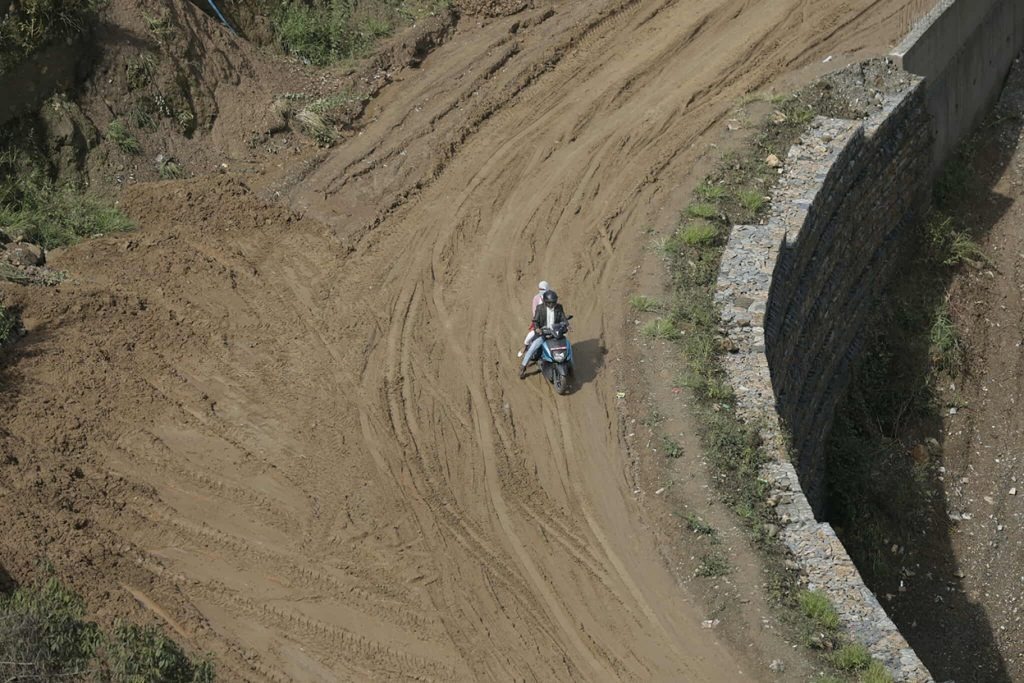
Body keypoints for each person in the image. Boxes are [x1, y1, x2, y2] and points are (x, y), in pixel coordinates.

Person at [519, 289, 569, 379]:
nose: (552, 304)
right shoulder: (540, 308)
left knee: (567, 346)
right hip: (544, 334)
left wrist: (567, 325)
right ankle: (523, 367)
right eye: (550, 302)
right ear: (545, 302)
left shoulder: (559, 307)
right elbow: (535, 321)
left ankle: (571, 365)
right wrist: (537, 328)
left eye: (554, 302)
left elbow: (563, 318)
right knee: (532, 348)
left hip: (556, 333)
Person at [518, 280, 550, 358]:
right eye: (540, 289)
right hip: (539, 321)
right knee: (531, 334)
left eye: (543, 289)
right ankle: (525, 346)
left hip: (550, 320)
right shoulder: (536, 298)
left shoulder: (551, 296)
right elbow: (534, 311)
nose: (541, 291)